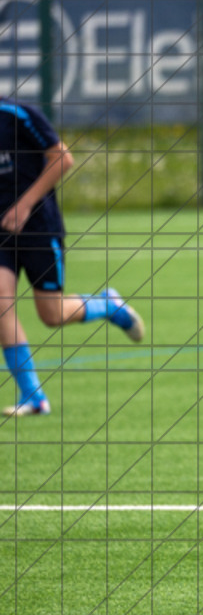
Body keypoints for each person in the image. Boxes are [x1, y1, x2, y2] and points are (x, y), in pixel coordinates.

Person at [0, 97, 144, 417]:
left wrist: (24, 204)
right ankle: (33, 397)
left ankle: (108, 305)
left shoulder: (16, 115)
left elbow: (62, 158)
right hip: (1, 233)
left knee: (51, 314)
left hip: (38, 226)